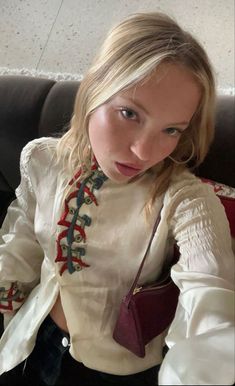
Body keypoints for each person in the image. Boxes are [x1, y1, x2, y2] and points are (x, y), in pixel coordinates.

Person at [0, 11, 234, 386]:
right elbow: (22, 242)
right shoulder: (43, 159)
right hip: (29, 339)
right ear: (95, 90)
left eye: (171, 129)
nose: (144, 151)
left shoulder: (187, 201)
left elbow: (212, 308)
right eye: (129, 113)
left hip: (112, 369)